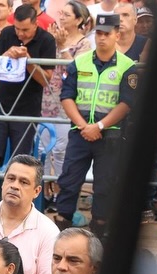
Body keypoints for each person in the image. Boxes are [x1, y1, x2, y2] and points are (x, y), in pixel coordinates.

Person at [52, 14, 136, 239]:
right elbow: (67, 96)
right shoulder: (80, 62)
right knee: (68, 181)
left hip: (111, 135)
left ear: (117, 35)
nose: (101, 38)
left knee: (105, 187)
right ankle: (62, 231)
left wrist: (98, 126)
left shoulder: (128, 66)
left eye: (107, 33)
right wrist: (84, 126)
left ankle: (99, 235)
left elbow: (126, 103)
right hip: (80, 133)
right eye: (98, 33)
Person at [0, 4, 56, 208]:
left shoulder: (47, 40)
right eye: (17, 29)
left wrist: (28, 61)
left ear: (36, 24)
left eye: (25, 30)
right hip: (1, 103)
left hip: (28, 108)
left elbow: (46, 80)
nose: (20, 33)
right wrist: (6, 55)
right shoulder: (6, 33)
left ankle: (15, 207)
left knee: (20, 163)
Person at [40, 0, 91, 205]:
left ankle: (62, 196)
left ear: (79, 20)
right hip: (45, 99)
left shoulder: (84, 44)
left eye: (67, 15)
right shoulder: (51, 37)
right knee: (43, 150)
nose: (61, 17)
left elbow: (76, 72)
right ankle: (42, 195)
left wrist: (62, 47)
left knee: (61, 151)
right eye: (60, 13)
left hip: (66, 104)